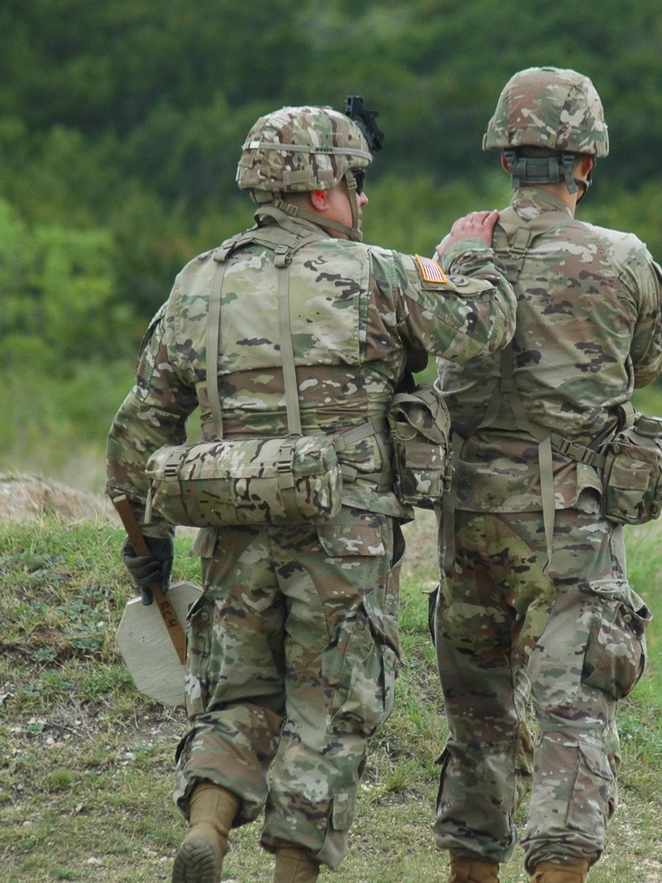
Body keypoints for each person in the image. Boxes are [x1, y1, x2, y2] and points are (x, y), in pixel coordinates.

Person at [106, 103, 516, 883]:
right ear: (322, 186)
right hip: (344, 534)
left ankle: (207, 827)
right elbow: (484, 327)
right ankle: (292, 872)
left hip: (230, 529)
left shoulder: (199, 281)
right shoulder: (379, 274)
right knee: (331, 708)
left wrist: (147, 552)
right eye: (357, 182)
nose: (365, 200)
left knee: (234, 694)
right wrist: (472, 253)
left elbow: (136, 434)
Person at [431, 67, 662, 883]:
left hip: (467, 512)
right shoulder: (623, 258)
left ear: (506, 157)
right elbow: (646, 363)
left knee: (478, 716)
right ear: (588, 163)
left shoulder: (458, 248)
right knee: (572, 708)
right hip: (571, 518)